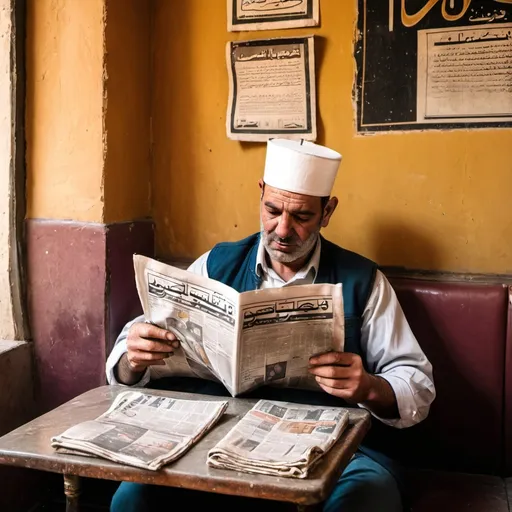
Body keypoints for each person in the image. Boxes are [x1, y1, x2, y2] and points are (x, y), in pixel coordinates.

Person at [106, 138, 436, 512]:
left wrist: (369, 386)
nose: (282, 229)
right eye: (273, 210)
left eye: (301, 217)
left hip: (330, 446)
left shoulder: (363, 281)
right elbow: (130, 349)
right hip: (220, 440)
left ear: (327, 211)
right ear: (261, 194)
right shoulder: (217, 265)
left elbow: (417, 385)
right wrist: (132, 359)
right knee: (133, 498)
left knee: (365, 495)